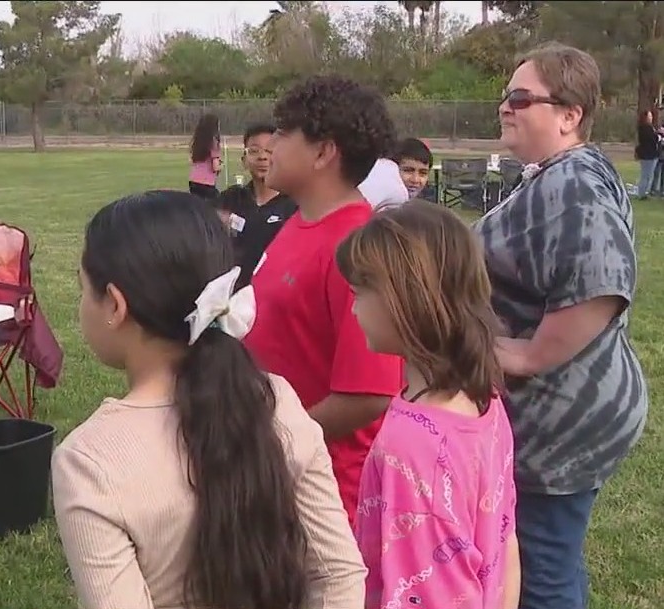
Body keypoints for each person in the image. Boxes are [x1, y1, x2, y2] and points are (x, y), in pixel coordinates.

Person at [53, 190, 365, 609]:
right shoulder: (276, 401)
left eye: (82, 288)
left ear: (114, 304)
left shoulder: (90, 462)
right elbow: (337, 575)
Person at [476, 43, 647, 609]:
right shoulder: (557, 174)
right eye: (506, 95)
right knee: (556, 555)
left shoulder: (573, 182)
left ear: (569, 115)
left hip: (562, 419)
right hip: (570, 410)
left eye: (521, 97)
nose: (506, 106)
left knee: (542, 569)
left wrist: (527, 357)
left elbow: (601, 279)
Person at [337, 202, 520, 609]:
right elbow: (505, 542)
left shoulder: (412, 448)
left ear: (406, 301)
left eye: (360, 293)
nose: (353, 308)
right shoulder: (484, 400)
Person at [245, 75, 404, 522]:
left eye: (282, 132)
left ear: (322, 151)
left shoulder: (359, 246)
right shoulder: (298, 222)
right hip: (274, 472)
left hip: (324, 493)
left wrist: (273, 439)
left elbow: (370, 394)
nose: (269, 143)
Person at [213, 122, 297, 287]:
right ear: (244, 160)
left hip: (275, 293)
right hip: (234, 296)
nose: (262, 157)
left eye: (269, 151)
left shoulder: (295, 205)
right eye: (254, 151)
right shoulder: (230, 199)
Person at [188, 113, 221, 199]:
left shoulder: (197, 141)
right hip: (207, 184)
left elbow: (192, 161)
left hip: (193, 181)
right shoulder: (213, 142)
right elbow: (215, 167)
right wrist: (221, 166)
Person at [634, 109, 658, 199]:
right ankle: (642, 193)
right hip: (647, 155)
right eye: (649, 116)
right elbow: (652, 139)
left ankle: (644, 192)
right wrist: (658, 137)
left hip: (650, 154)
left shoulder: (649, 127)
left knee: (648, 175)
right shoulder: (645, 128)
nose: (651, 118)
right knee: (645, 174)